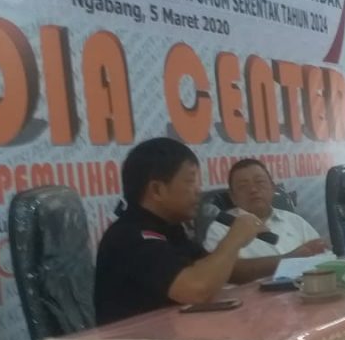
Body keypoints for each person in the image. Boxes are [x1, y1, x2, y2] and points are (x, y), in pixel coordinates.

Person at [94, 138, 261, 325]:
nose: (198, 191)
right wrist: (235, 238)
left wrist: (286, 263)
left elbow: (224, 270)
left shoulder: (171, 229)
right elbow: (197, 289)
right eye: (190, 181)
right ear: (157, 190)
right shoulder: (130, 237)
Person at [204, 159, 327, 283]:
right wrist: (291, 258)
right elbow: (225, 274)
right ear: (233, 197)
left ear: (273, 188)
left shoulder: (295, 221)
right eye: (243, 186)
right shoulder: (218, 229)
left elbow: (323, 258)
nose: (253, 189)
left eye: (260, 182)